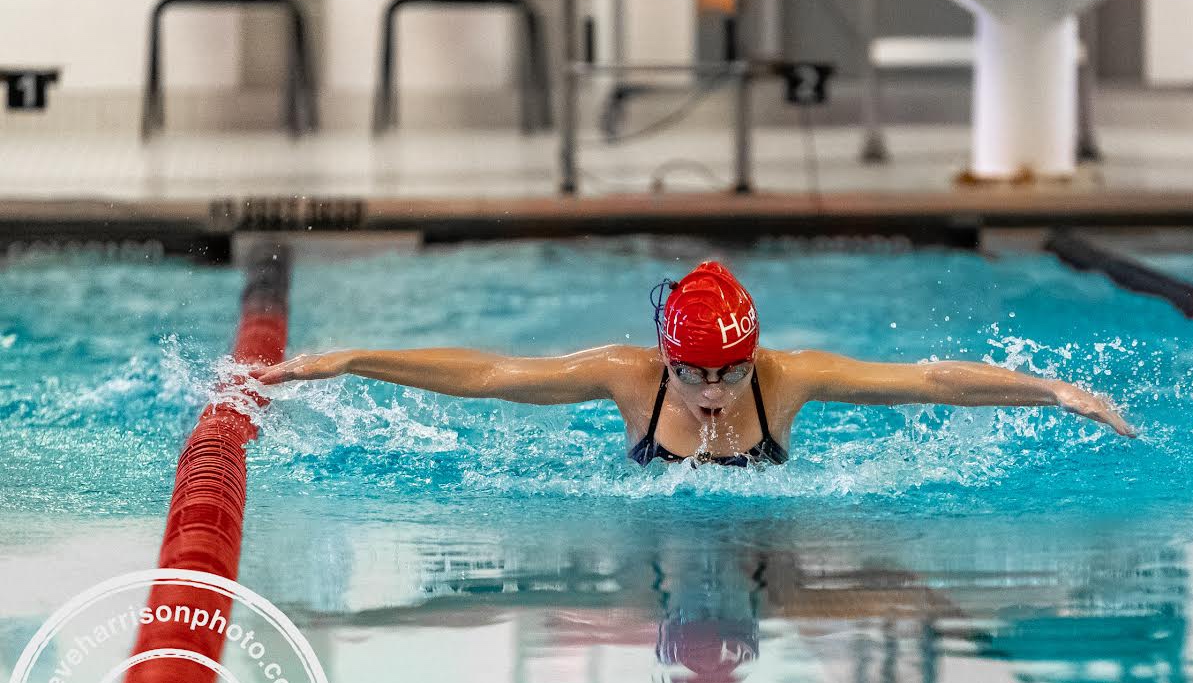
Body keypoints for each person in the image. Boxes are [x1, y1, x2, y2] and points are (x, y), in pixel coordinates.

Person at [249, 259, 1136, 467]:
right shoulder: (628, 375)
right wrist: (358, 358)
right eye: (696, 373)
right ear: (667, 359)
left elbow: (927, 378)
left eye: (731, 373)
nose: (713, 391)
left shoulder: (790, 379)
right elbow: (492, 375)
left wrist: (1047, 391)